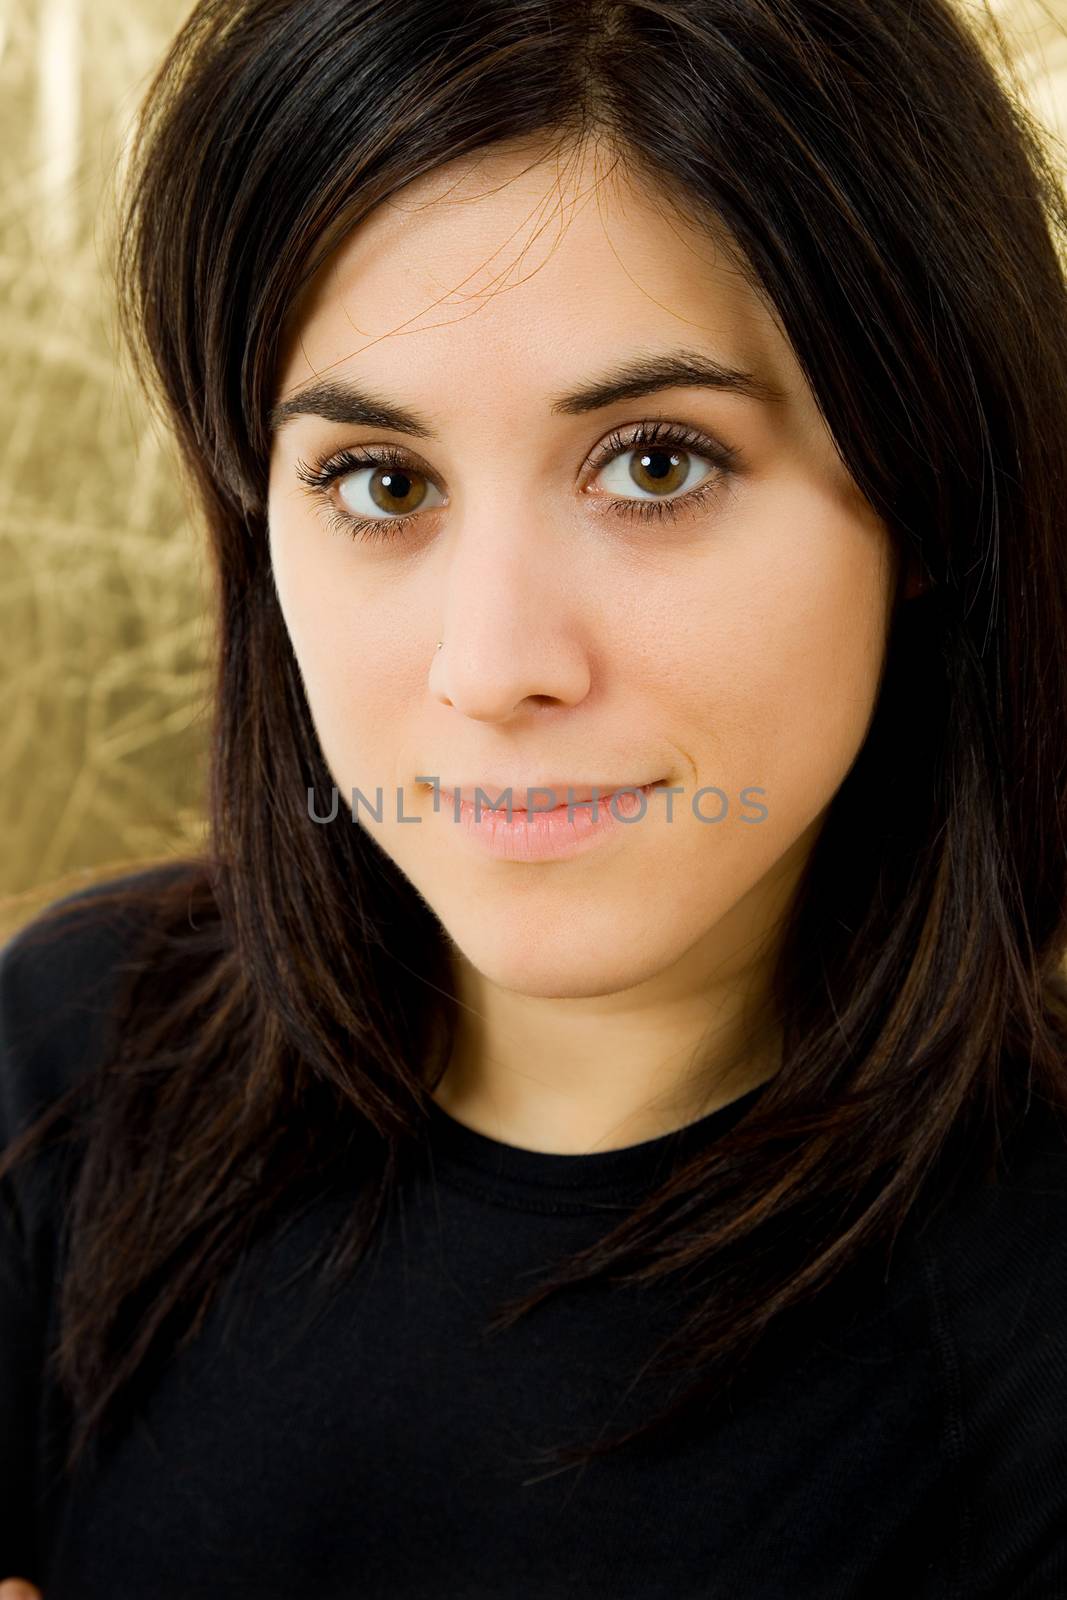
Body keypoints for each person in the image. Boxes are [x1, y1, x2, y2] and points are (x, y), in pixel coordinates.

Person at [3, 0, 1067, 1594]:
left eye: (655, 463)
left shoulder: (1037, 1320)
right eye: (382, 481)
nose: (494, 667)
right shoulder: (67, 1068)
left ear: (927, 486)